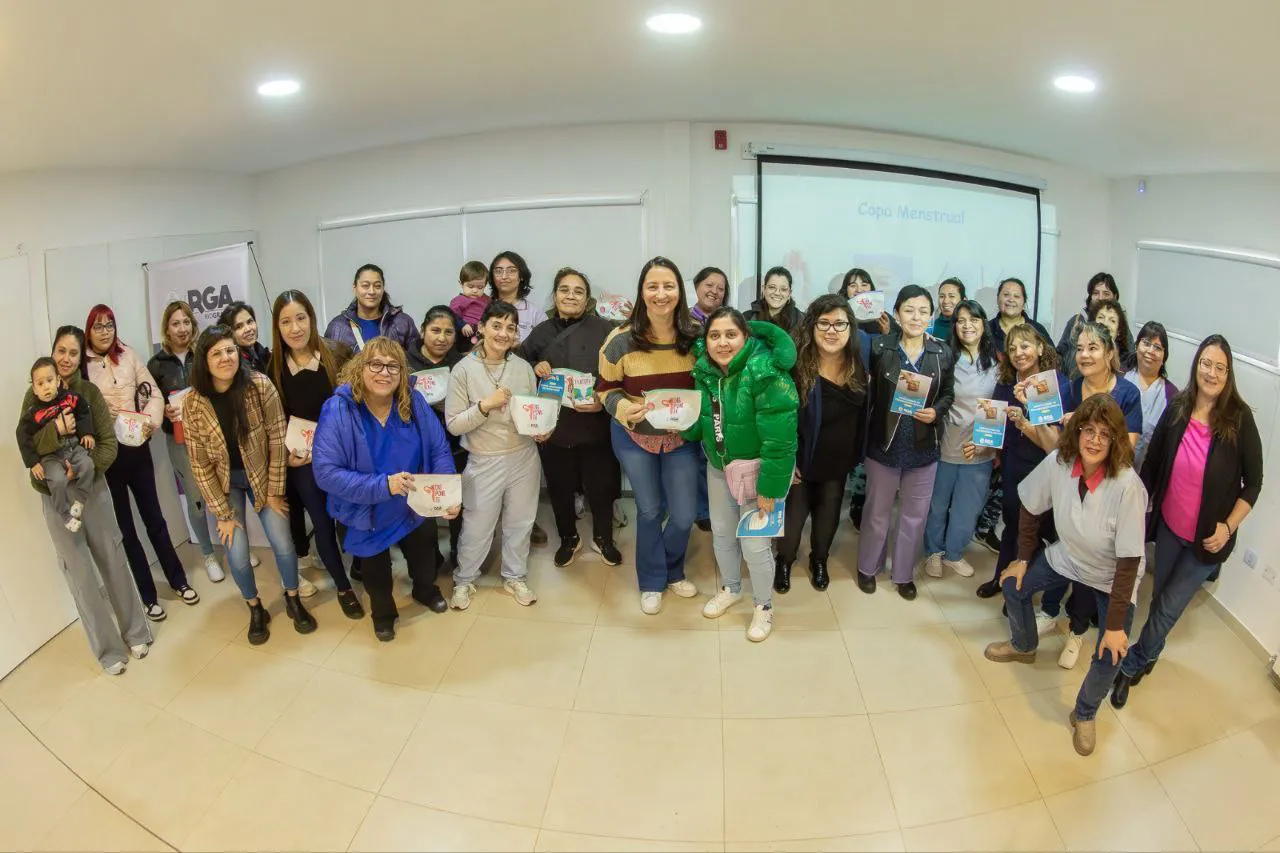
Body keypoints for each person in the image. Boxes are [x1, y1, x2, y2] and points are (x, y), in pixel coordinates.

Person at [983, 395, 1147, 757]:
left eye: (1105, 435)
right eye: (1088, 430)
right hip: (1068, 557)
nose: (1093, 440)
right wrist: (1023, 559)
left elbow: (1129, 561)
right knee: (1013, 584)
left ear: (1116, 441)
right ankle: (1024, 645)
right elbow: (1029, 504)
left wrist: (1117, 624)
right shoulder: (1060, 462)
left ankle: (1085, 713)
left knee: (1112, 649)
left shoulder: (1128, 486)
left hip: (1111, 576)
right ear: (1077, 431)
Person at [1111, 334, 1263, 709]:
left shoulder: (1239, 419)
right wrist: (1137, 508)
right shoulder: (1177, 406)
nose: (1211, 373)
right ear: (1196, 366)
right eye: (1206, 364)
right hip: (1169, 528)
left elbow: (1254, 482)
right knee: (1161, 596)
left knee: (1167, 607)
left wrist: (1228, 527)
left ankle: (1130, 665)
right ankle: (1151, 653)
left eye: (1220, 368)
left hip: (1207, 541)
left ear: (1228, 376)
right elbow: (1154, 462)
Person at [23, 326, 152, 674]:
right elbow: (29, 448)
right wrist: (56, 463)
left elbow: (108, 445)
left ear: (81, 359)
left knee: (112, 558)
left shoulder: (88, 394)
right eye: (60, 351)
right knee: (79, 575)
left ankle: (137, 632)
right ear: (52, 354)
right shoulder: (32, 398)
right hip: (56, 498)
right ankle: (109, 652)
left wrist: (81, 471)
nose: (65, 358)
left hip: (92, 489)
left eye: (73, 353)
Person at [313, 338, 458, 640]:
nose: (384, 372)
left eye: (393, 366)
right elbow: (326, 473)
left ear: (403, 372)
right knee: (376, 573)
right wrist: (383, 485)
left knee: (425, 555)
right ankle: (384, 612)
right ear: (360, 368)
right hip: (366, 510)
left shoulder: (413, 401)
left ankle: (424, 590)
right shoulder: (338, 409)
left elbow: (439, 448)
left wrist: (446, 493)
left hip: (413, 505)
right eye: (375, 364)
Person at [184, 325, 315, 644]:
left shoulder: (259, 385)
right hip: (225, 483)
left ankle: (292, 597)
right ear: (204, 360)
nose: (225, 357)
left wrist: (272, 490)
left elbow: (276, 436)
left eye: (229, 350)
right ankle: (255, 606)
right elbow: (200, 464)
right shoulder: (194, 402)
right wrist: (223, 514)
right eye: (216, 353)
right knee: (237, 553)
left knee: (283, 544)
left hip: (262, 477)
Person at [685, 308, 798, 641]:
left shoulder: (766, 371)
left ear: (746, 337)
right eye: (714, 335)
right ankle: (731, 588)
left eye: (730, 335)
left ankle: (764, 606)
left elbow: (781, 440)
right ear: (705, 341)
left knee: (755, 546)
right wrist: (677, 420)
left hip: (759, 473)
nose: (722, 343)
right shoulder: (705, 371)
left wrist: (770, 489)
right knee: (721, 534)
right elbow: (703, 424)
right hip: (719, 467)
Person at [597, 257, 701, 614]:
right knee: (649, 509)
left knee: (685, 513)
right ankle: (653, 580)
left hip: (681, 439)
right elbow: (605, 388)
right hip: (634, 436)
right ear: (641, 292)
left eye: (668, 285)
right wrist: (622, 408)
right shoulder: (620, 340)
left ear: (679, 291)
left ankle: (674, 570)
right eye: (652, 286)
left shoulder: (696, 335)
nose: (661, 294)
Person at [1038, 320, 1143, 666]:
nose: (1084, 354)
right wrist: (1041, 421)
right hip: (1070, 486)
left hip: (1107, 494)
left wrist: (1084, 436)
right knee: (1061, 549)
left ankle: (1077, 632)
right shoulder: (1069, 388)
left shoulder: (1127, 394)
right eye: (1080, 348)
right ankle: (1049, 611)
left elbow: (1126, 450)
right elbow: (1057, 449)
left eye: (1093, 348)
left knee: (1090, 566)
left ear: (1110, 354)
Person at [84, 304, 198, 621]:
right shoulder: (83, 367)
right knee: (126, 529)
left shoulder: (129, 355)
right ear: (89, 330)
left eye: (110, 325)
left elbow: (155, 395)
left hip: (137, 449)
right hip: (107, 456)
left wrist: (149, 421)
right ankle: (147, 596)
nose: (105, 331)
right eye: (98, 326)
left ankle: (178, 580)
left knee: (155, 519)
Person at [267, 290, 363, 619]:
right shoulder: (273, 369)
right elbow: (274, 423)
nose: (295, 328)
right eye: (286, 321)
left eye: (301, 318)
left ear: (311, 318)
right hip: (304, 462)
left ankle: (362, 563)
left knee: (353, 513)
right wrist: (287, 454)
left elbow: (359, 399)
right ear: (277, 328)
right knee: (322, 521)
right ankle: (343, 587)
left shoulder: (337, 352)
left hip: (344, 453)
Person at [519, 268, 623, 567]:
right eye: (564, 290)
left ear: (587, 298)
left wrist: (603, 403)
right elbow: (522, 369)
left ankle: (603, 538)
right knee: (559, 487)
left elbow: (618, 372)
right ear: (555, 295)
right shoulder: (540, 332)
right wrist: (536, 366)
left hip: (595, 421)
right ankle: (568, 538)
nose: (571, 296)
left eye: (578, 291)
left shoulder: (605, 329)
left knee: (601, 486)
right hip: (555, 426)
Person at [857, 285, 956, 599]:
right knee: (877, 513)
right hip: (883, 445)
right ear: (897, 314)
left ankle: (902, 574)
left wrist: (935, 412)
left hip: (923, 447)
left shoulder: (942, 352)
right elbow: (865, 393)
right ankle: (868, 567)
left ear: (931, 316)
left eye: (924, 311)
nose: (916, 316)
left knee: (915, 515)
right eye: (909, 310)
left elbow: (948, 394)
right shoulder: (880, 348)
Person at [445, 301, 543, 610]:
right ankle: (464, 580)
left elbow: (531, 412)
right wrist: (485, 406)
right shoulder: (463, 370)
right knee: (477, 525)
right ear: (482, 327)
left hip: (524, 456)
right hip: (484, 458)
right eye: (496, 326)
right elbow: (453, 423)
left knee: (521, 522)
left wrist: (540, 428)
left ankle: (515, 576)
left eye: (510, 328)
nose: (503, 333)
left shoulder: (523, 368)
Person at [775, 294, 867, 592]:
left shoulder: (859, 364)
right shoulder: (796, 366)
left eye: (840, 323)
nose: (832, 331)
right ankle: (784, 561)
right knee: (790, 527)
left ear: (850, 328)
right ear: (811, 326)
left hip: (837, 463)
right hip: (800, 463)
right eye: (824, 323)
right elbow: (778, 417)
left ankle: (819, 560)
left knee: (827, 523)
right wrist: (787, 461)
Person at [975, 324, 1069, 600]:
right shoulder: (1005, 382)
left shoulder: (1053, 385)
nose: (1019, 353)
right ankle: (1000, 579)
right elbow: (990, 427)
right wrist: (979, 444)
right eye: (1012, 348)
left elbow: (1053, 444)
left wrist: (1030, 407)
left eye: (1025, 346)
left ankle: (1021, 591)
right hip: (1013, 465)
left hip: (1043, 469)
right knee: (1011, 525)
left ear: (1041, 348)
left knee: (1033, 532)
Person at [148, 301, 226, 583]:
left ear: (193, 325)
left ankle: (233, 544)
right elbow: (149, 404)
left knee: (222, 491)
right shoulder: (155, 364)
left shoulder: (204, 355)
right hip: (179, 441)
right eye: (175, 323)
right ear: (166, 329)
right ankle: (207, 553)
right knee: (196, 498)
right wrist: (164, 413)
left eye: (186, 322)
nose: (182, 329)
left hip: (211, 437)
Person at [921, 300, 999, 580]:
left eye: (974, 319)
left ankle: (954, 553)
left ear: (983, 324)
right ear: (954, 326)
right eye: (961, 320)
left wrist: (986, 443)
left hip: (979, 449)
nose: (967, 325)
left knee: (969, 507)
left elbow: (998, 405)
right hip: (944, 444)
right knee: (937, 504)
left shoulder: (997, 363)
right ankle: (933, 552)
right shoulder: (945, 356)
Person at [486, 249, 548, 545]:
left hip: (523, 383)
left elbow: (541, 350)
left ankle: (527, 519)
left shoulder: (533, 311)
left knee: (523, 450)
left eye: (511, 270)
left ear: (521, 275)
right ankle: (491, 520)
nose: (504, 275)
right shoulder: (480, 306)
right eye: (498, 270)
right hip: (488, 386)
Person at [407, 305, 467, 567]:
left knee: (456, 502)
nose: (441, 338)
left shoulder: (461, 365)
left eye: (448, 332)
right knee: (422, 503)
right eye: (435, 330)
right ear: (422, 331)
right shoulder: (405, 362)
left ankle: (458, 550)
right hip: (414, 447)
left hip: (455, 445)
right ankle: (429, 556)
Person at [19, 357, 96, 531]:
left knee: (88, 465)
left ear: (58, 381)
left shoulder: (70, 398)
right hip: (50, 457)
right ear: (34, 389)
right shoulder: (33, 413)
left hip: (73, 447)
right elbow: (22, 435)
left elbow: (84, 410)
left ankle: (81, 500)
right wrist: (33, 463)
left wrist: (87, 433)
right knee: (58, 480)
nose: (46, 386)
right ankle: (65, 515)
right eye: (40, 383)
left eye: (49, 380)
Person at [688, 266, 730, 531]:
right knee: (692, 455)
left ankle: (719, 508)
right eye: (710, 285)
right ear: (697, 286)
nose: (715, 291)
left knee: (714, 453)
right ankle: (702, 510)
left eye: (721, 288)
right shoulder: (681, 319)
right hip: (689, 393)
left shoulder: (728, 321)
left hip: (718, 394)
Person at [324, 263, 422, 354]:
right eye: (365, 286)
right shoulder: (337, 327)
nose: (371, 291)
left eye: (377, 286)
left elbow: (416, 362)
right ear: (354, 288)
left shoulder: (402, 322)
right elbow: (331, 368)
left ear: (383, 289)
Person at [1122, 321, 1177, 469]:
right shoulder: (1119, 378)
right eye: (1146, 343)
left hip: (1146, 477)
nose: (1151, 351)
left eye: (1157, 347)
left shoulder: (1172, 396)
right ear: (1137, 346)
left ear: (1164, 356)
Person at [1056, 272, 1131, 377]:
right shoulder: (1076, 322)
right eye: (1096, 293)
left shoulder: (1120, 328)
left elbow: (1128, 358)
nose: (1100, 298)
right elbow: (1060, 354)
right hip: (1073, 382)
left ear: (1114, 297)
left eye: (1106, 293)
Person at [990, 277, 1053, 354]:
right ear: (997, 299)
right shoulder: (986, 329)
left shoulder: (1037, 329)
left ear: (1024, 303)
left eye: (1016, 296)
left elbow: (1053, 360)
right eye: (1006, 295)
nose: (1011, 299)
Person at [745, 266, 802, 333]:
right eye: (772, 287)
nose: (777, 293)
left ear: (789, 294)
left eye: (783, 289)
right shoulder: (747, 318)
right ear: (764, 289)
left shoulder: (802, 321)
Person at [219, 301, 270, 374]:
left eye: (249, 322)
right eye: (239, 327)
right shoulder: (232, 366)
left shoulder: (262, 353)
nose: (248, 329)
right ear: (228, 334)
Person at [449, 260, 490, 349]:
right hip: (465, 333)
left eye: (480, 287)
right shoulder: (459, 300)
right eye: (470, 286)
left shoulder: (487, 300)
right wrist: (463, 325)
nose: (475, 290)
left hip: (482, 334)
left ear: (485, 285)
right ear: (461, 284)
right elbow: (451, 316)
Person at [840, 268, 893, 337]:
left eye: (864, 285)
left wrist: (887, 333)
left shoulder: (883, 317)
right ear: (845, 290)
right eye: (853, 286)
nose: (859, 290)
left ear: (871, 288)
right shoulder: (839, 315)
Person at [1087, 298, 1134, 371]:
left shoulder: (1126, 364)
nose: (1105, 323)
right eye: (1101, 317)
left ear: (1119, 331)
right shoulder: (1082, 353)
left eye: (1112, 321)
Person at [928, 277, 966, 341]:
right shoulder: (931, 328)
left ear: (963, 300)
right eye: (942, 296)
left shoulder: (969, 327)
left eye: (952, 296)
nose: (946, 301)